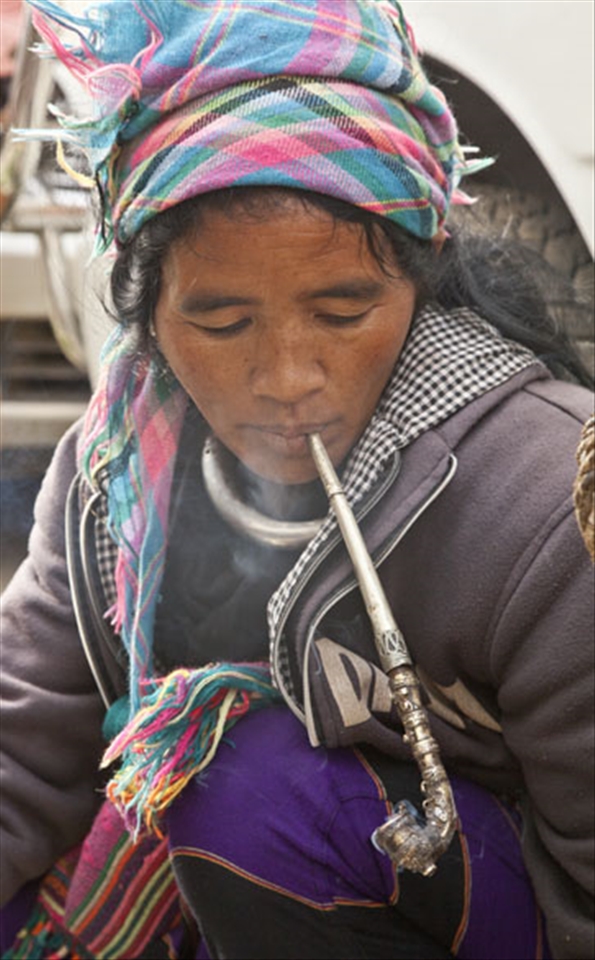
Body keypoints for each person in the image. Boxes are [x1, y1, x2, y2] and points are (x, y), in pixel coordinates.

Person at [1, 1, 593, 958]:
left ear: (422, 275)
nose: (286, 379)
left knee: (242, 784)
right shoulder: (114, 481)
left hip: (488, 916)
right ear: (147, 313)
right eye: (223, 324)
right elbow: (22, 748)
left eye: (344, 309)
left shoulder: (538, 500)